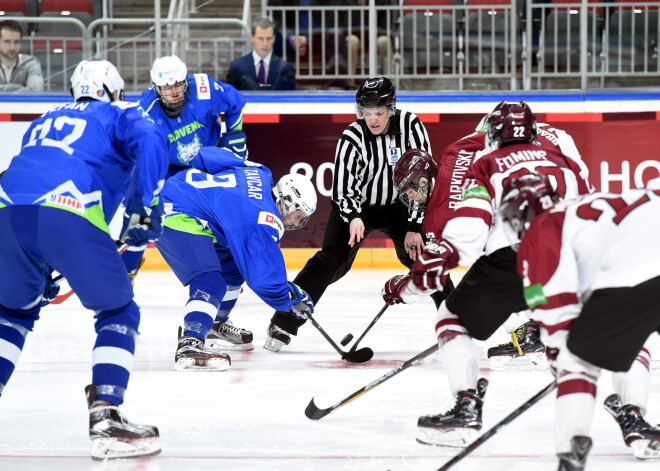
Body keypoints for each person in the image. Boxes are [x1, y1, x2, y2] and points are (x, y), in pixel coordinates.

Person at [382, 100, 593, 447]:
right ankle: (621, 415)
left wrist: (410, 284)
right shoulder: (562, 157)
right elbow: (587, 208)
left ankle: (466, 406)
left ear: (494, 134)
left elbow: (462, 240)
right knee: (573, 338)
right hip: (566, 256)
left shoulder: (485, 164)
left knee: (451, 318)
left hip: (511, 255)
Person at [0, 60, 167, 459]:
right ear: (113, 90)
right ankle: (106, 414)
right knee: (118, 311)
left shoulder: (42, 120)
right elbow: (152, 141)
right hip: (69, 209)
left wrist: (39, 263)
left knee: (12, 316)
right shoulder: (120, 111)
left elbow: (30, 180)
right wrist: (144, 209)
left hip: (7, 212)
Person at [264, 76, 447, 352]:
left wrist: (414, 223)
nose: (372, 119)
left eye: (379, 113)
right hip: (357, 207)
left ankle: (457, 320)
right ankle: (283, 322)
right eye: (367, 112)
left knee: (424, 257)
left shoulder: (411, 126)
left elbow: (423, 179)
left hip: (401, 206)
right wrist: (354, 217)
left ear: (391, 109)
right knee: (332, 260)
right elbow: (342, 188)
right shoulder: (352, 136)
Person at [500, 174, 660, 469]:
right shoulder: (587, 204)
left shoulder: (540, 231)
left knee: (578, 358)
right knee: (637, 333)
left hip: (636, 276)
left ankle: (570, 447)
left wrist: (559, 357)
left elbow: (554, 312)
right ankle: (632, 412)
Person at [153, 147, 318, 370]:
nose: (295, 222)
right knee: (210, 281)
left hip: (178, 196)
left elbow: (207, 156)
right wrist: (291, 295)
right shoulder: (263, 218)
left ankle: (214, 323)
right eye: (297, 214)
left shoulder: (260, 172)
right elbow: (263, 279)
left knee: (233, 266)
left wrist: (209, 199)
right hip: (175, 213)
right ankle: (190, 341)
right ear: (286, 200)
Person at [126, 54, 249, 322]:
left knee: (229, 249)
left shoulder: (204, 88)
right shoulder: (143, 112)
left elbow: (236, 103)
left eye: (178, 84)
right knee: (140, 216)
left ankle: (219, 321)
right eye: (166, 87)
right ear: (156, 87)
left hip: (208, 167)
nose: (173, 92)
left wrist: (234, 134)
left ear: (186, 81)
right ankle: (129, 265)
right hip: (169, 173)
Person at [226, 17, 295, 91]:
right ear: (252, 38)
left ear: (274, 38)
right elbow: (230, 99)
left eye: (269, 38)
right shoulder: (237, 67)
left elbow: (289, 99)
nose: (265, 43)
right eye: (261, 38)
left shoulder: (286, 68)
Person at [0, 19, 44, 93]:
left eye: (16, 42)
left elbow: (36, 90)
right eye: (7, 42)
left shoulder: (31, 63)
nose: (12, 47)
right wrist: (20, 87)